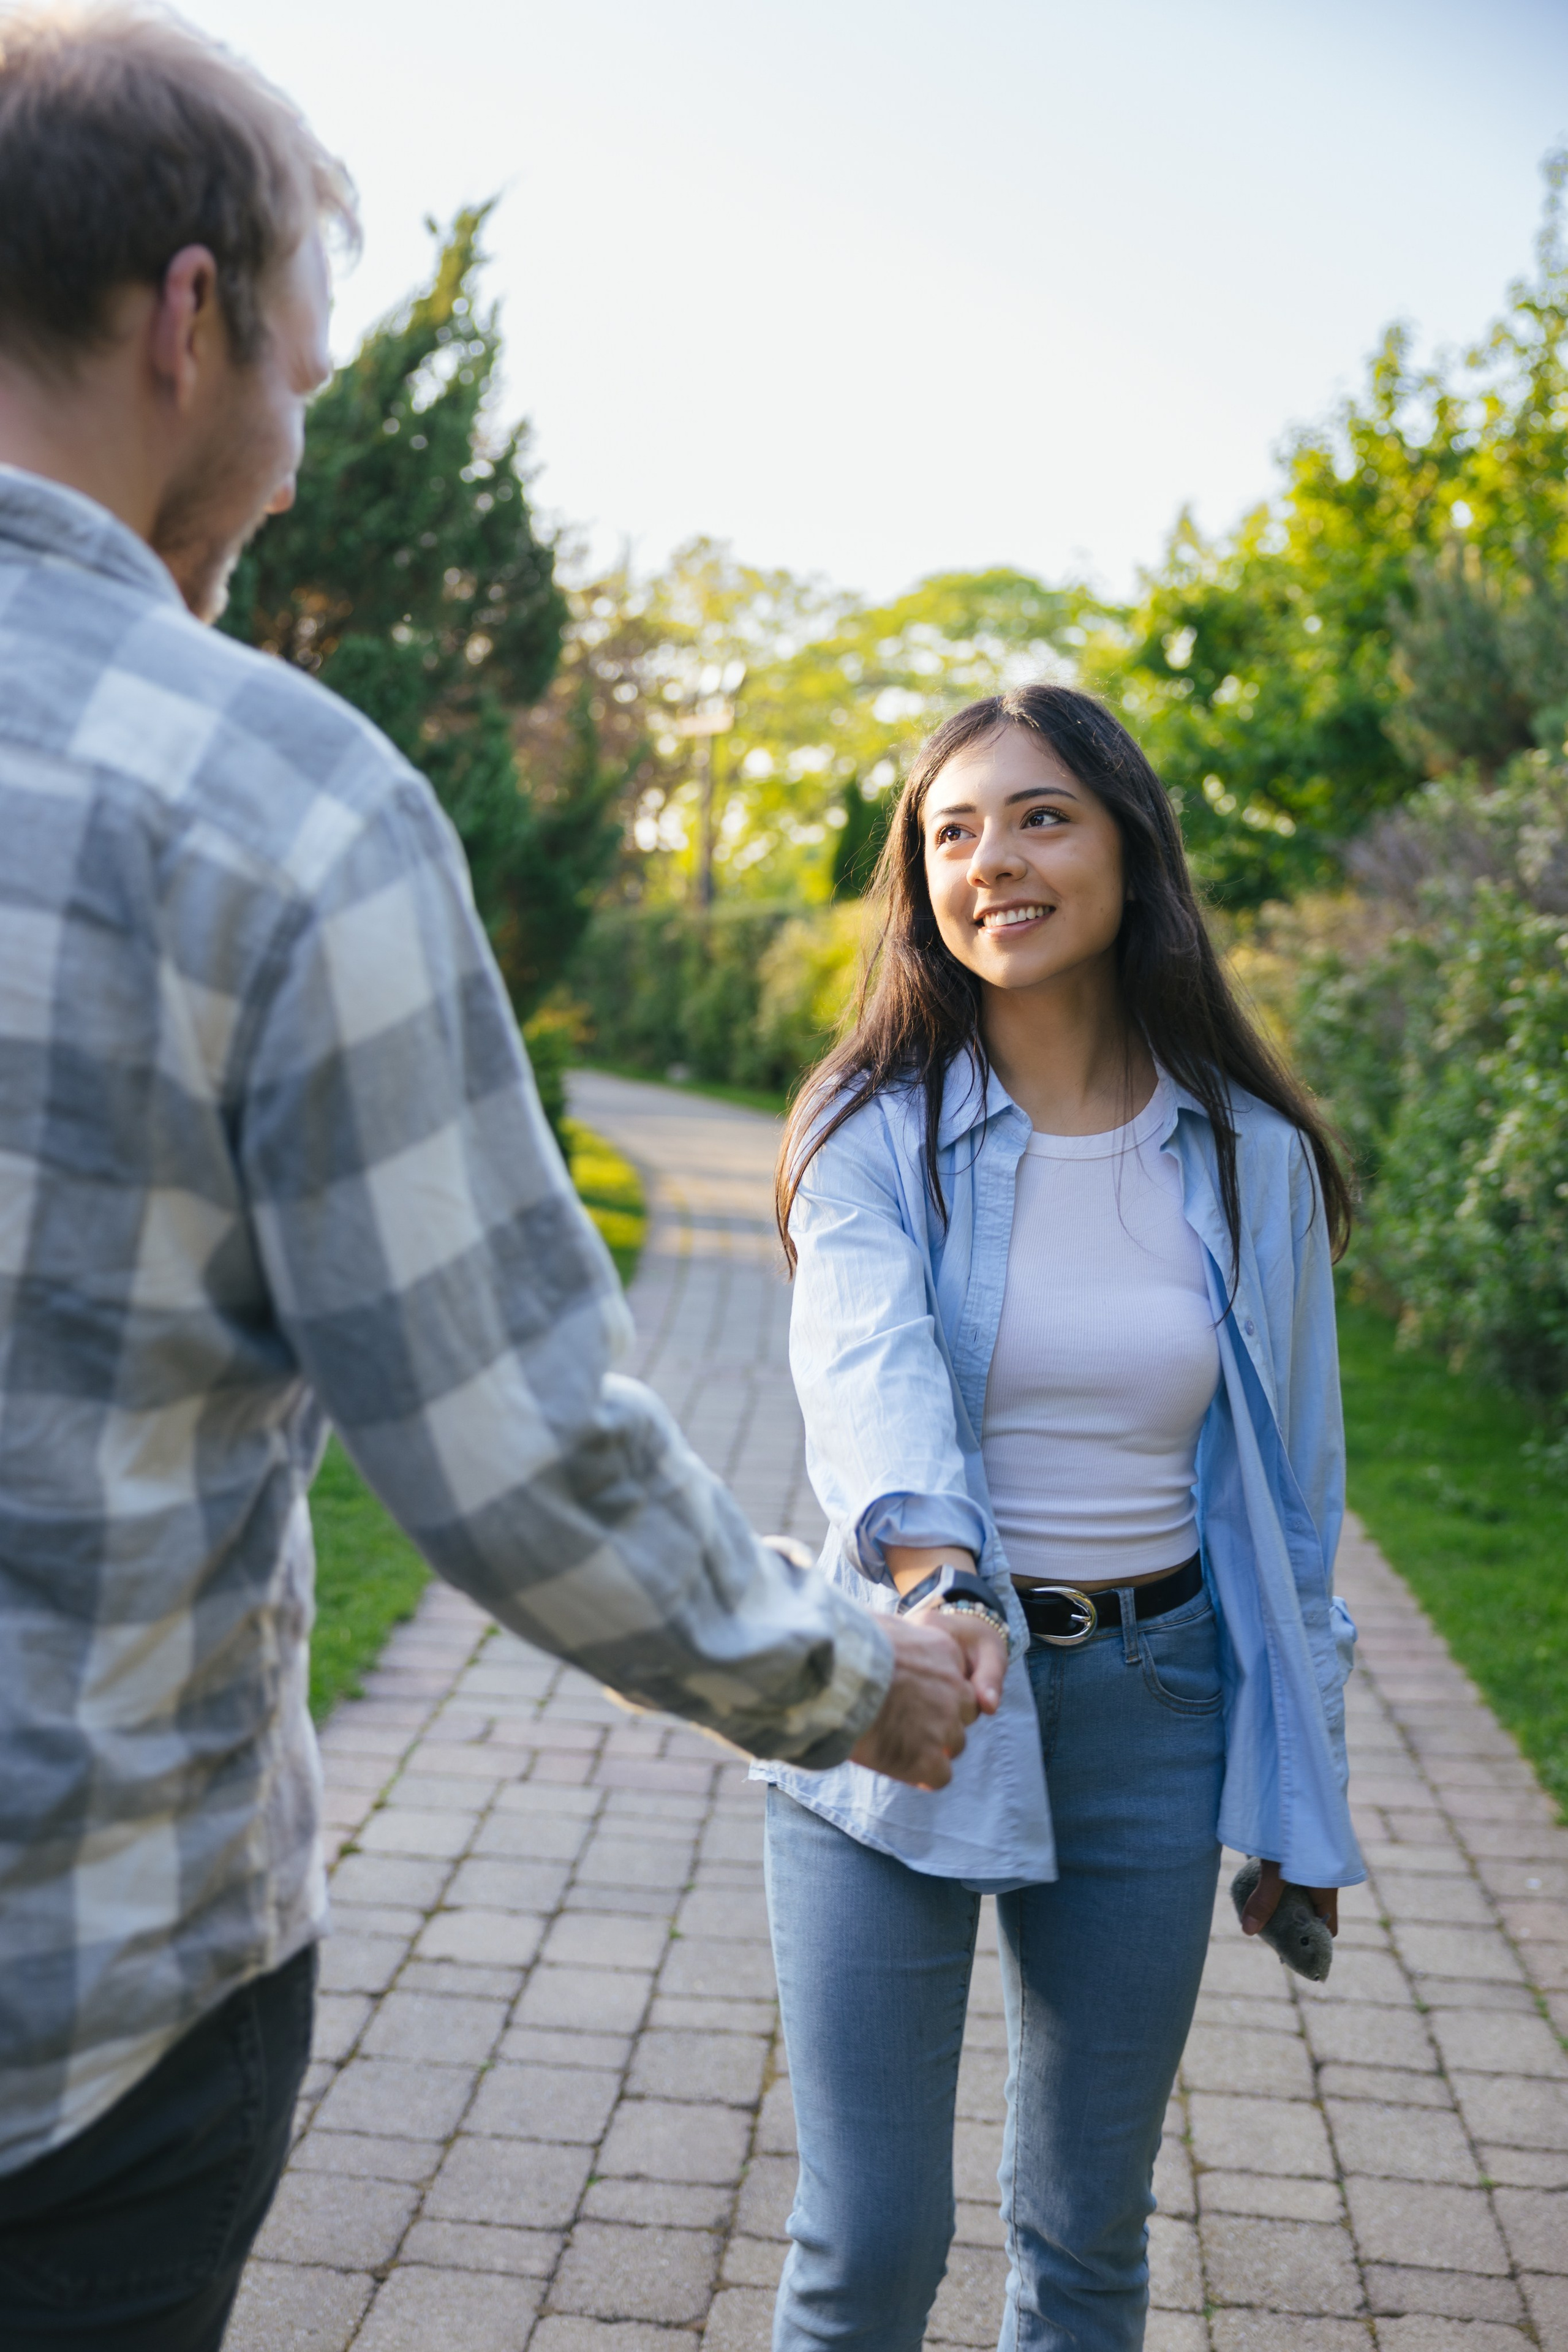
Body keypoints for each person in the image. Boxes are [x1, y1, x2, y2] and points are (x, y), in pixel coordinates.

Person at [0, 10, 998, 2346]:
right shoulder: (276, 808)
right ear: (190, 317)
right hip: (77, 2043)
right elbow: (517, 1447)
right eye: (308, 368)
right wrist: (857, 1680)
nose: (302, 439)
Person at [757, 684, 1363, 2352]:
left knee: (1087, 2238)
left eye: (1039, 816)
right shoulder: (869, 1134)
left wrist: (1298, 1781)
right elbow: (867, 1371)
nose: (992, 860)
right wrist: (938, 1581)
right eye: (952, 832)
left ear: (1127, 847)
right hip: (902, 1689)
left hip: (1151, 1712)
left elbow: (1298, 1503)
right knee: (871, 2243)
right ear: (921, 885)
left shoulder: (1252, 1161)